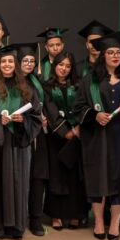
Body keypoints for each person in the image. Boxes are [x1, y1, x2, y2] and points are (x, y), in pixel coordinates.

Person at [73, 32, 120, 240]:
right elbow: (78, 107)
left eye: (118, 52)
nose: (115, 56)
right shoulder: (90, 80)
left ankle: (114, 224)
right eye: (110, 52)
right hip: (97, 138)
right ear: (103, 55)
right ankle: (98, 222)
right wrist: (94, 115)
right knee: (98, 178)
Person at [0, 45, 42, 240]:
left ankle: (16, 227)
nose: (7, 65)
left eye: (10, 62)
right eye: (3, 61)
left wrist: (23, 120)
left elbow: (36, 116)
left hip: (18, 143)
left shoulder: (27, 88)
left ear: (16, 65)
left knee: (18, 182)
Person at [41, 51, 87, 230]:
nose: (64, 69)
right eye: (61, 65)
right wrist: (64, 131)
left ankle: (75, 214)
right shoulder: (46, 86)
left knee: (75, 178)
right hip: (56, 137)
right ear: (55, 66)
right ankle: (56, 215)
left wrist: (78, 128)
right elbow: (49, 110)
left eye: (68, 66)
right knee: (56, 177)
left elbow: (84, 106)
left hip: (77, 136)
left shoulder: (79, 84)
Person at [16, 42, 49, 237]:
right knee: (21, 177)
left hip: (39, 135)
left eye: (31, 61)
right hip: (21, 134)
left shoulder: (37, 82)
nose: (28, 64)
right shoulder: (13, 82)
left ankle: (36, 218)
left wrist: (44, 117)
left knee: (38, 177)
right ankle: (19, 216)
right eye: (25, 61)